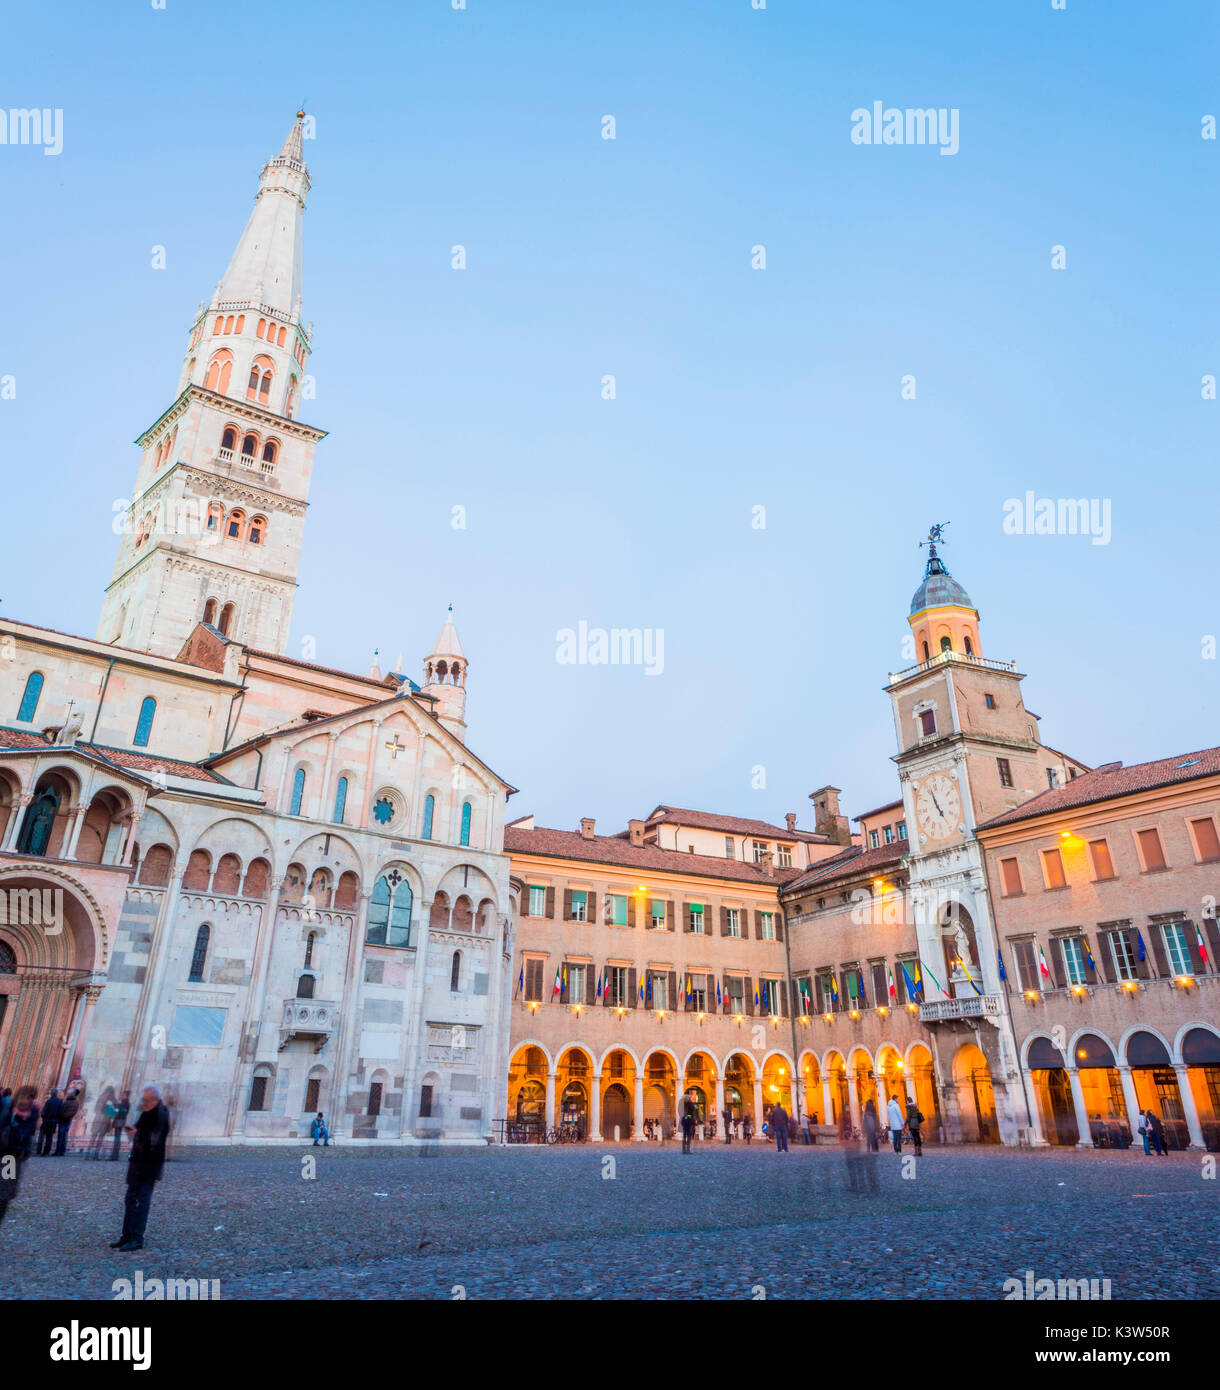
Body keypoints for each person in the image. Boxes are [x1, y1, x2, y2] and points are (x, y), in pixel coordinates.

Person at [110, 1086, 170, 1252]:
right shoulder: (146, 1112)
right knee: (130, 1199)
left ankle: (137, 1238)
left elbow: (156, 1139)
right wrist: (133, 1131)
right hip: (137, 1162)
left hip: (149, 1165)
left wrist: (138, 1134)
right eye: (143, 1100)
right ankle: (126, 1235)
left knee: (142, 1201)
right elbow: (140, 1130)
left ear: (154, 1100)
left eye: (146, 1100)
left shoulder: (161, 1114)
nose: (143, 1103)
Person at [0, 1087, 39, 1224]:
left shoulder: (32, 1113)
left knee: (3, 1196)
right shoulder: (7, 1109)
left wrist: (18, 1123)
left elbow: (25, 1138)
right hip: (5, 1153)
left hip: (10, 1158)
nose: (25, 1113)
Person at [55, 1086, 80, 1156]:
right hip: (68, 1119)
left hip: (63, 1119)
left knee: (61, 1135)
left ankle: (58, 1151)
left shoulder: (67, 1101)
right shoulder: (75, 1102)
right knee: (64, 1135)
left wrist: (63, 1115)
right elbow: (74, 1111)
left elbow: (62, 1110)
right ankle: (62, 1151)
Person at [37, 1088, 61, 1157]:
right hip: (53, 1122)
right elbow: (60, 1112)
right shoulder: (59, 1102)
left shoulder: (49, 1101)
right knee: (49, 1137)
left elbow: (44, 1112)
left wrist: (43, 1118)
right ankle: (46, 1151)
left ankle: (39, 1150)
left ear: (51, 1093)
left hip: (47, 1121)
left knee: (41, 1136)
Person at [110, 1092, 131, 1161]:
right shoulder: (125, 1103)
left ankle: (114, 1156)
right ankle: (114, 1156)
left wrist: (117, 1106)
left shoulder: (124, 1103)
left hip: (119, 1121)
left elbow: (120, 1113)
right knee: (117, 1138)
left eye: (122, 1095)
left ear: (126, 1096)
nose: (121, 1096)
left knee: (117, 1139)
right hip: (120, 1121)